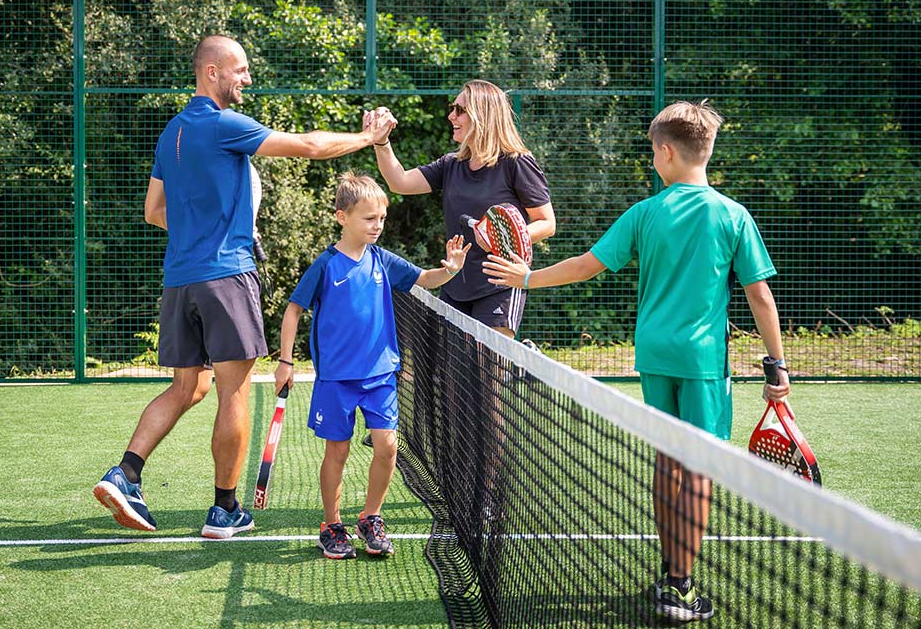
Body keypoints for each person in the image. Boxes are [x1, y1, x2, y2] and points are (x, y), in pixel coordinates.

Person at [482, 100, 792, 623]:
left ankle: (672, 574)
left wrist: (527, 278)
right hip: (701, 361)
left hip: (651, 354)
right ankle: (681, 586)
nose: (652, 159)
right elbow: (759, 296)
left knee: (667, 462)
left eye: (653, 151)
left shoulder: (645, 213)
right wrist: (776, 364)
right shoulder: (733, 214)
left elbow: (585, 266)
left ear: (667, 153)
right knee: (699, 471)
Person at [92, 35, 397, 539]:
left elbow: (153, 213)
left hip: (180, 281)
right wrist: (368, 138)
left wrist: (200, 231)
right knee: (233, 390)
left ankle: (125, 473)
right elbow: (308, 147)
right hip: (226, 277)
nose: (247, 79)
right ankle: (224, 510)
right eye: (240, 70)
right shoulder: (222, 125)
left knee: (189, 385)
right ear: (211, 72)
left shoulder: (171, 133)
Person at [274, 172, 469, 559]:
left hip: (381, 375)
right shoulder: (326, 265)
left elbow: (425, 279)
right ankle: (331, 524)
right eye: (368, 218)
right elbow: (293, 309)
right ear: (341, 216)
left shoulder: (384, 260)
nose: (377, 225)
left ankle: (371, 517)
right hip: (336, 379)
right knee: (338, 453)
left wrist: (450, 269)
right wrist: (284, 361)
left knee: (388, 447)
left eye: (381, 218)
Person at [373, 79, 555, 338]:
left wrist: (500, 235)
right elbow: (399, 182)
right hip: (456, 282)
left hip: (500, 282)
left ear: (482, 115)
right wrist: (381, 143)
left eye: (460, 110)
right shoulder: (451, 164)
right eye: (452, 108)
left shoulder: (516, 162)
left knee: (488, 369)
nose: (451, 116)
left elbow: (547, 223)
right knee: (453, 375)